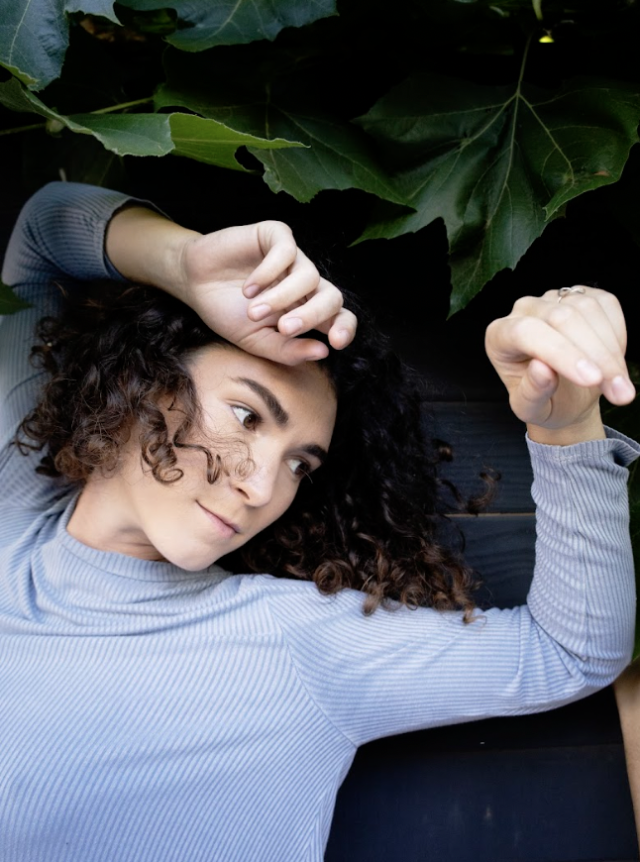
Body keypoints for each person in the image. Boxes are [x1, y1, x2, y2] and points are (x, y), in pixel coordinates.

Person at [0, 181, 637, 862]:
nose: (262, 486)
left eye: (301, 464)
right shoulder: (18, 507)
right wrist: (185, 265)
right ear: (141, 377)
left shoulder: (295, 643)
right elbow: (43, 231)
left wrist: (568, 425)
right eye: (247, 415)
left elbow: (569, 653)